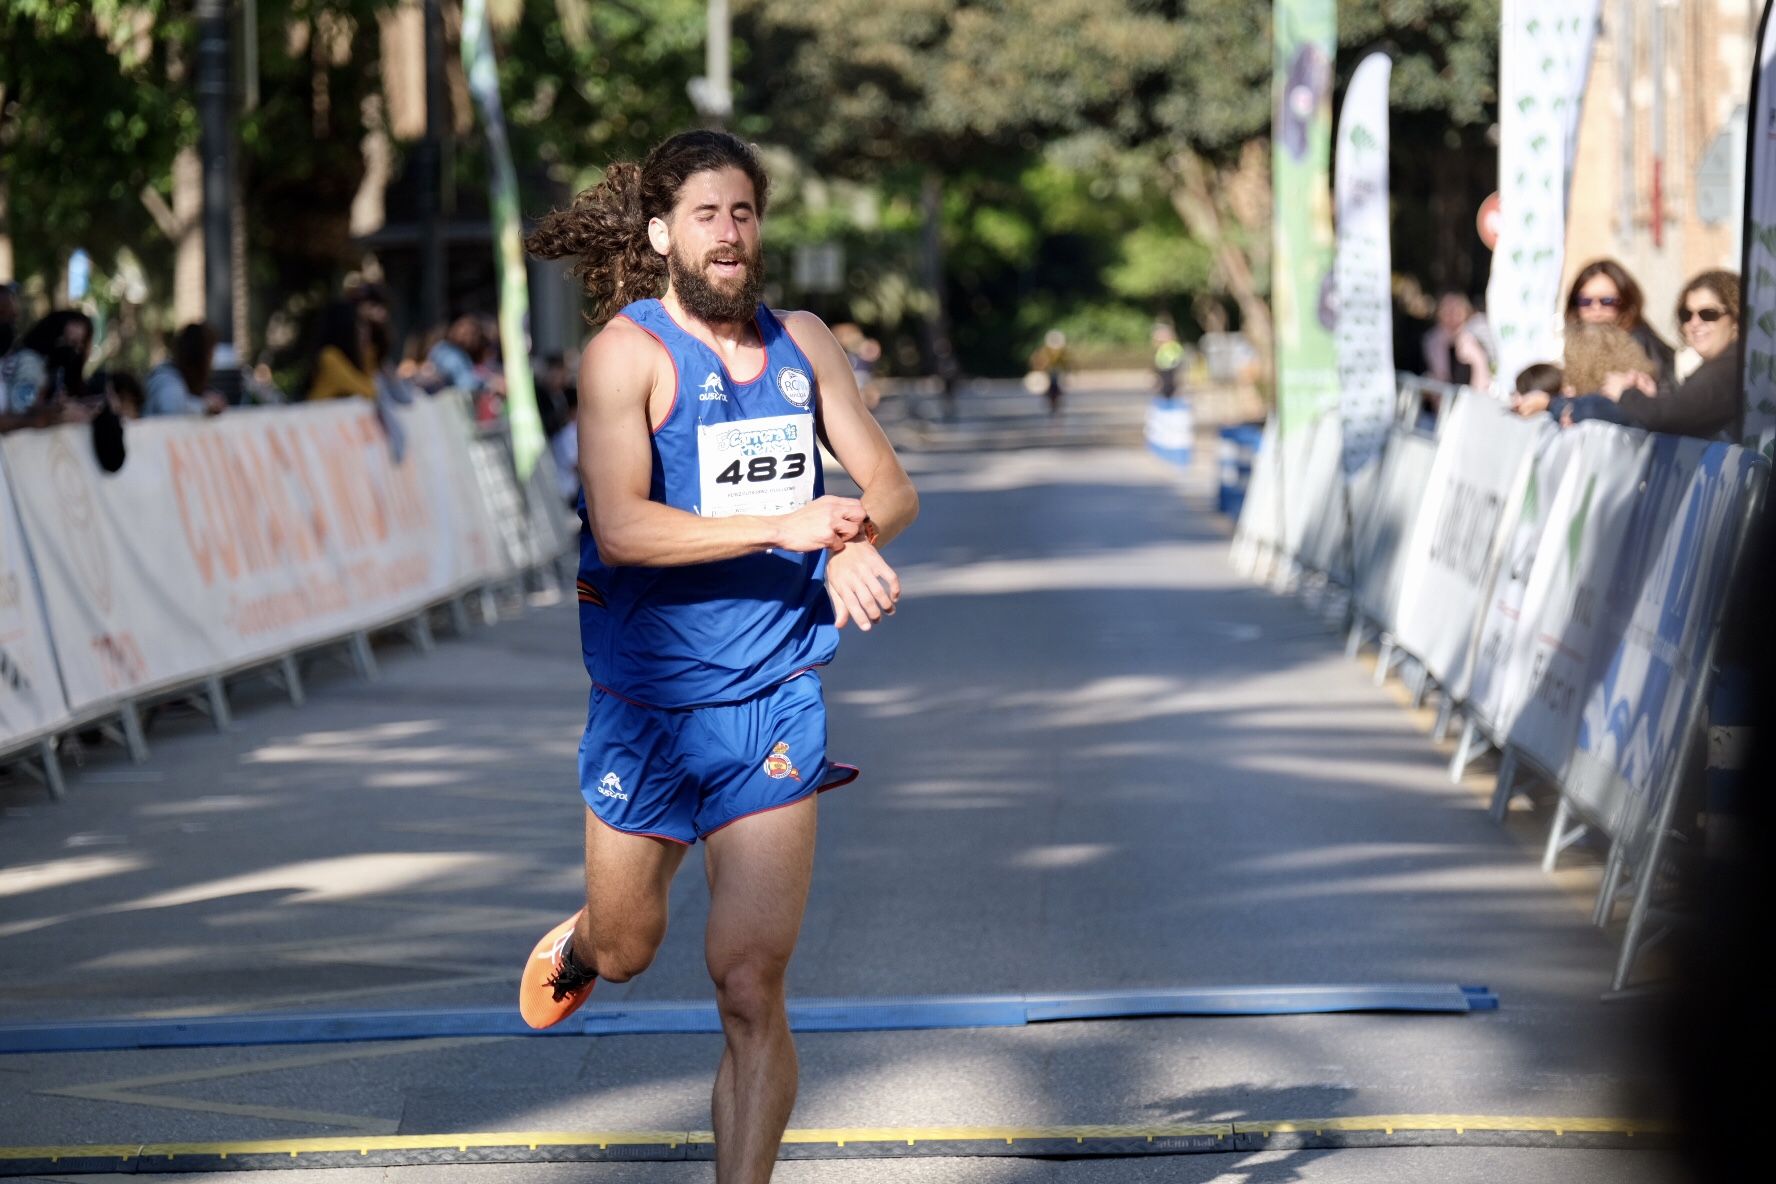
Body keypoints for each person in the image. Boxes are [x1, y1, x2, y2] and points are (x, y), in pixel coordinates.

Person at [520, 129, 918, 1184]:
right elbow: (621, 526)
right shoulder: (629, 354)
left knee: (748, 984)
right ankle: (588, 939)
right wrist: (789, 527)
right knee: (632, 946)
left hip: (775, 700)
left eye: (743, 212)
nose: (730, 233)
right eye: (707, 214)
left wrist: (850, 539)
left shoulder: (808, 345)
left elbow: (890, 486)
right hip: (649, 702)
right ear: (663, 234)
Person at [1559, 270, 1744, 441]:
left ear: (1736, 318)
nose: (1694, 323)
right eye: (1686, 314)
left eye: (1708, 314)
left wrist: (1623, 394)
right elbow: (1680, 411)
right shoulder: (1720, 367)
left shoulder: (1730, 369)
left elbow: (1670, 418)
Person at [1564, 258, 1676, 385]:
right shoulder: (1575, 344)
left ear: (1625, 302)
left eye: (1607, 301)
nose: (1596, 309)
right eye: (1585, 302)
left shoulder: (1642, 346)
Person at [144, 324, 227, 416]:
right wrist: (205, 406)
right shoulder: (166, 380)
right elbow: (172, 408)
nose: (212, 363)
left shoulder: (179, 380)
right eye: (210, 355)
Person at [305, 301, 377, 401]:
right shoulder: (329, 357)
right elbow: (370, 392)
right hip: (317, 415)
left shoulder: (353, 358)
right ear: (346, 327)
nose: (366, 331)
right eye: (360, 324)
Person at [1029, 328, 1069, 417]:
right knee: (1050, 391)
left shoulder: (1062, 352)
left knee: (1057, 391)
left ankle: (1055, 406)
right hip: (1048, 374)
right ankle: (1052, 405)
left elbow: (1065, 363)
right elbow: (1037, 362)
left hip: (1056, 374)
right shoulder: (1044, 351)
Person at [1152, 322, 1185, 401]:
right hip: (1162, 369)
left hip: (1172, 368)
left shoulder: (1173, 346)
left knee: (1171, 385)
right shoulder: (1161, 348)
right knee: (1163, 386)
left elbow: (1179, 354)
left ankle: (1171, 398)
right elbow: (1158, 359)